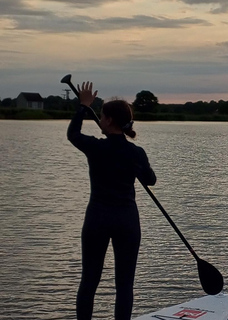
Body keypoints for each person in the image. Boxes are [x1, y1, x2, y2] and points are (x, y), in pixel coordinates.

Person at [67, 81, 156, 320]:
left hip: (97, 218)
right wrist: (138, 167)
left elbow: (72, 134)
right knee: (124, 285)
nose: (101, 120)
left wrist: (83, 107)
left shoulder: (95, 147)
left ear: (107, 121)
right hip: (127, 221)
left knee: (89, 281)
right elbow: (151, 180)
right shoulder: (136, 153)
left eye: (103, 116)